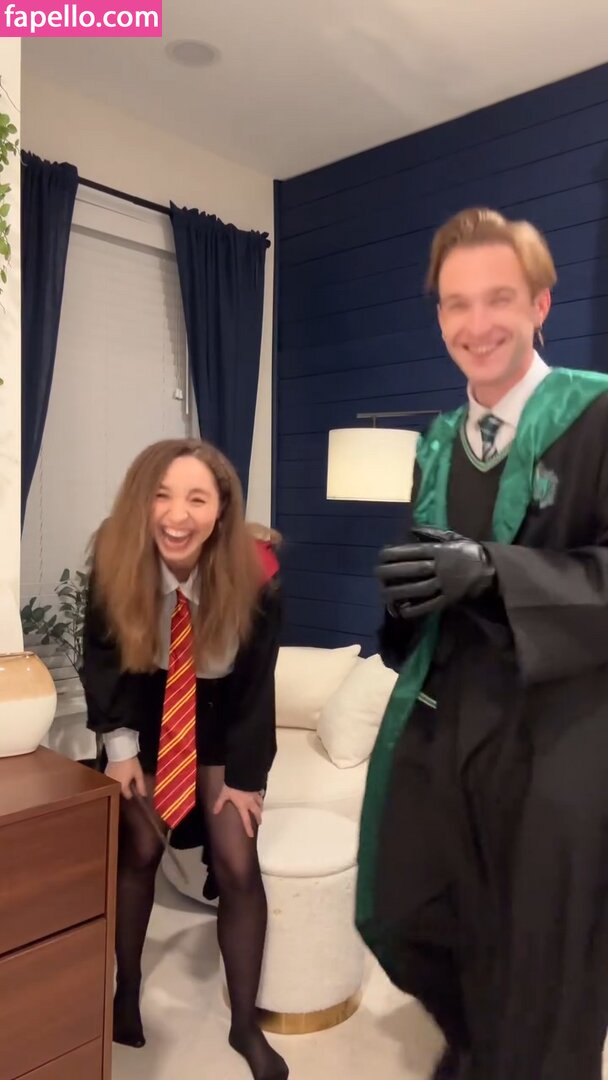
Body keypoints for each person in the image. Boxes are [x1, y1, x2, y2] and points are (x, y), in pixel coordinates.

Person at [356, 207, 608, 1080]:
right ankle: (475, 1049)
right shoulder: (435, 444)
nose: (477, 324)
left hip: (559, 743)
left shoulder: (598, 414)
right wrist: (405, 604)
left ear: (540, 304)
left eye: (499, 298)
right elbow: (431, 596)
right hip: (447, 729)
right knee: (410, 911)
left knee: (545, 962)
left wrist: (496, 571)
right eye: (456, 303)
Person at [82, 438, 288, 1080]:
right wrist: (120, 751)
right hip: (145, 716)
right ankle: (126, 992)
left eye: (197, 498)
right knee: (138, 852)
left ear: (220, 510)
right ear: (141, 503)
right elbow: (103, 659)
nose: (177, 515)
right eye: (162, 496)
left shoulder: (257, 575)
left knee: (238, 864)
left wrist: (247, 781)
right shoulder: (115, 559)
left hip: (222, 723)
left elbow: (256, 688)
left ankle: (245, 1025)